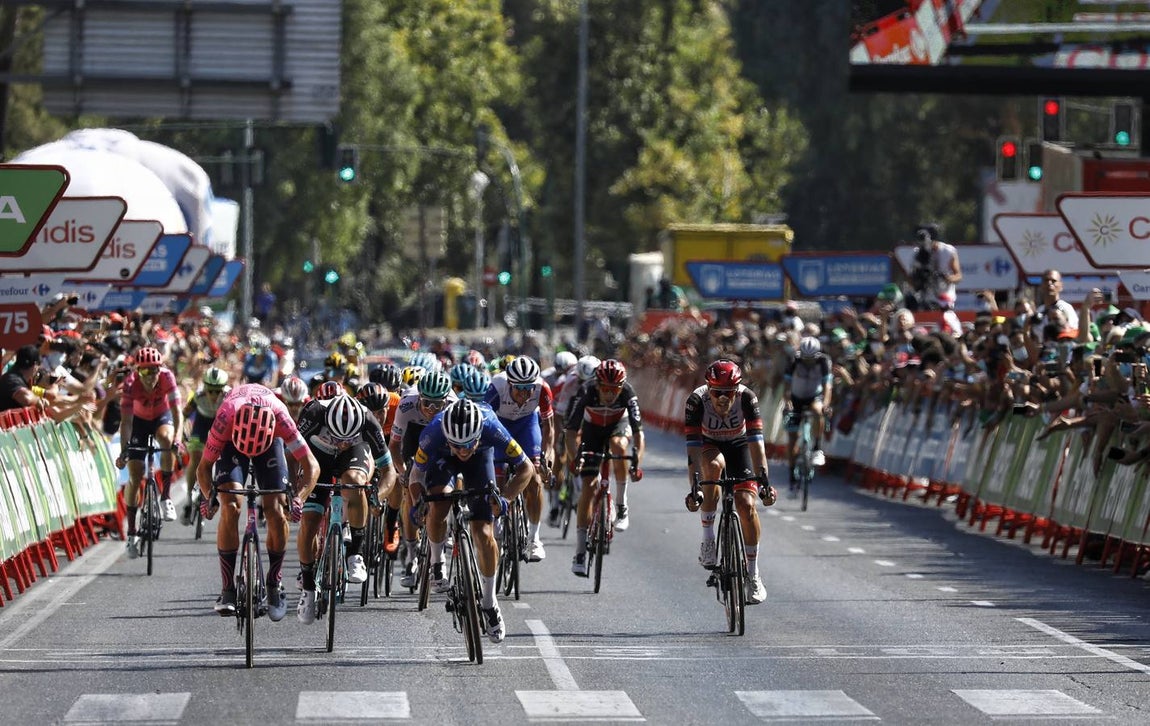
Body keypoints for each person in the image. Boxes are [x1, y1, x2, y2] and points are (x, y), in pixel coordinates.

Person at [409, 398, 535, 643]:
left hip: (482, 459)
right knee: (439, 502)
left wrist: (506, 498)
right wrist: (418, 502)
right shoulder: (433, 432)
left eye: (469, 444)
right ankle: (437, 562)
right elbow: (416, 474)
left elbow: (526, 468)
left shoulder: (490, 425)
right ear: (448, 437)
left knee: (484, 533)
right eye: (458, 445)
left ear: (478, 434)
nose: (464, 450)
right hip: (442, 459)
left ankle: (489, 602)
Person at [196, 383, 320, 621]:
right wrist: (208, 496)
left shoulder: (281, 416)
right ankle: (227, 590)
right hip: (233, 442)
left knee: (275, 508)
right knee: (230, 505)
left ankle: (274, 583)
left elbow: (311, 466)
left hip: (269, 444)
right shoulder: (226, 415)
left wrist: (298, 498)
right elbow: (204, 467)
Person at [294, 391, 396, 623]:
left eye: (346, 437)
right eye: (337, 437)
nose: (340, 443)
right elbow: (292, 454)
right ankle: (308, 587)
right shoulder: (313, 413)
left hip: (354, 455)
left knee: (355, 482)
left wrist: (376, 497)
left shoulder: (368, 420)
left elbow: (389, 471)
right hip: (317, 456)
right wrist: (295, 491)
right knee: (309, 521)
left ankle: (355, 553)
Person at [685, 359, 775, 604]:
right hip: (708, 444)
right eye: (717, 393)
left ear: (737, 391)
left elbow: (757, 443)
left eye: (728, 393)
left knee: (746, 504)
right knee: (713, 468)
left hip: (739, 444)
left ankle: (753, 574)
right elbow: (692, 450)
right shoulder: (696, 400)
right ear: (708, 390)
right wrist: (695, 487)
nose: (723, 399)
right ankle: (708, 539)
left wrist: (764, 480)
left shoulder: (748, 398)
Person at [564, 359, 645, 576]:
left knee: (619, 447)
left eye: (615, 389)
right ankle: (580, 552)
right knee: (589, 487)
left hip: (619, 425)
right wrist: (575, 458)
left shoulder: (628, 392)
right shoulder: (585, 391)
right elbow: (571, 433)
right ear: (597, 385)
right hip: (592, 430)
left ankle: (621, 505)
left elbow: (638, 433)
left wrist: (637, 462)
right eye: (605, 389)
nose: (610, 394)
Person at [389, 370, 458, 588]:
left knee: (444, 488)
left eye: (438, 404)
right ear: (419, 397)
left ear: (446, 400)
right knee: (411, 492)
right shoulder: (406, 405)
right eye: (427, 403)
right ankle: (411, 555)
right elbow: (394, 446)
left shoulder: (454, 407)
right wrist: (401, 471)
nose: (432, 409)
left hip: (443, 438)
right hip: (414, 436)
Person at [115, 347, 184, 555]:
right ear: (137, 371)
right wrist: (124, 451)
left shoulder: (167, 378)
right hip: (139, 422)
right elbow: (126, 422)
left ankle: (165, 497)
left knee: (165, 439)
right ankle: (133, 532)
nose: (151, 375)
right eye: (145, 371)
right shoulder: (130, 384)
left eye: (154, 370)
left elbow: (177, 413)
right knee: (135, 477)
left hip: (162, 417)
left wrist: (178, 440)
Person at [484, 355, 553, 562]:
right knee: (495, 478)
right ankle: (497, 521)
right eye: (519, 389)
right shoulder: (496, 387)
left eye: (528, 388)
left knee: (535, 479)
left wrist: (547, 456)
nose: (524, 394)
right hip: (499, 426)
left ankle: (534, 538)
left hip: (526, 425)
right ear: (509, 383)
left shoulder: (542, 388)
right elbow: (484, 422)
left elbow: (549, 430)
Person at [180, 366, 230, 525]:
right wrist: (183, 433)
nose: (214, 395)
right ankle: (188, 499)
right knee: (195, 458)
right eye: (211, 391)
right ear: (205, 388)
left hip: (221, 424)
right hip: (201, 424)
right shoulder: (198, 396)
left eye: (218, 391)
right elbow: (184, 414)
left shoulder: (229, 395)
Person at [783, 337, 833, 491]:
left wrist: (825, 404)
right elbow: (786, 386)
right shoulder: (794, 360)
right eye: (805, 358)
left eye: (811, 359)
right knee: (792, 439)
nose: (808, 362)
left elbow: (828, 386)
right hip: (796, 398)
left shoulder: (824, 362)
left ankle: (817, 448)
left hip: (814, 396)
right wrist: (787, 401)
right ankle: (792, 475)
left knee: (818, 411)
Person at [0, 345, 46, 412]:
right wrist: (37, 400)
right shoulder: (11, 379)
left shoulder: (20, 379)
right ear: (35, 365)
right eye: (39, 364)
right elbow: (26, 398)